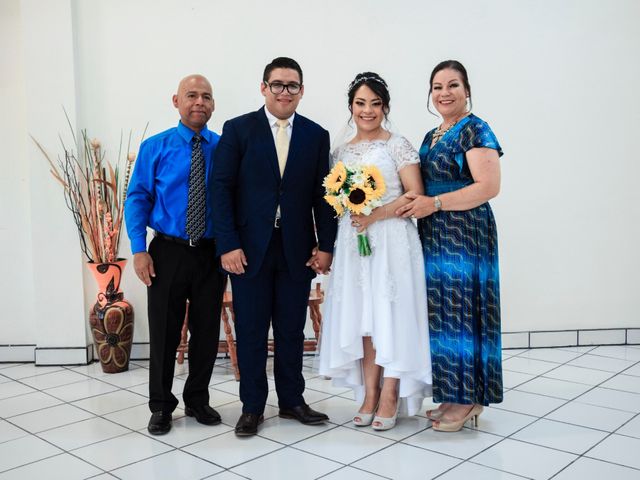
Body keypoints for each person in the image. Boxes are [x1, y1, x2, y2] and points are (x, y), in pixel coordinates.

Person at [212, 57, 337, 436]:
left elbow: (324, 195)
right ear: (263, 87)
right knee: (251, 329)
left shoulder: (316, 135)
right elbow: (221, 189)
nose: (285, 91)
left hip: (296, 249)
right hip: (248, 249)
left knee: (290, 330)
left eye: (292, 85)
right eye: (278, 84)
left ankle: (292, 401)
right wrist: (228, 244)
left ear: (302, 90)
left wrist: (326, 245)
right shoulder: (238, 130)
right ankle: (251, 407)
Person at [318, 72, 432, 431]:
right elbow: (334, 199)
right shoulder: (341, 150)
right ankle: (369, 392)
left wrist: (376, 214)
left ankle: (390, 394)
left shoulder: (396, 145)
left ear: (385, 107)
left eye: (375, 103)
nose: (368, 111)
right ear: (351, 107)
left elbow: (414, 194)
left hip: (391, 239)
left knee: (391, 314)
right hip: (355, 243)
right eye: (360, 103)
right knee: (365, 319)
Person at [397, 60, 504, 432]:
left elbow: (488, 187)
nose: (444, 92)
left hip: (465, 231)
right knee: (441, 312)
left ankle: (469, 398)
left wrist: (436, 204)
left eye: (453, 85)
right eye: (438, 86)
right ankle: (451, 392)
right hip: (433, 232)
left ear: (467, 90)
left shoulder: (476, 129)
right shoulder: (431, 136)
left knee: (464, 309)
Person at [125, 74, 226, 435]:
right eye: (192, 95)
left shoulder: (223, 147)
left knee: (205, 331)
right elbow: (137, 198)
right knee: (165, 333)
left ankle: (197, 398)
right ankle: (162, 406)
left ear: (213, 105)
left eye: (207, 97)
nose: (200, 102)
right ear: (176, 101)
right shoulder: (156, 147)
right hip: (167, 251)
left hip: (211, 254)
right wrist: (139, 250)